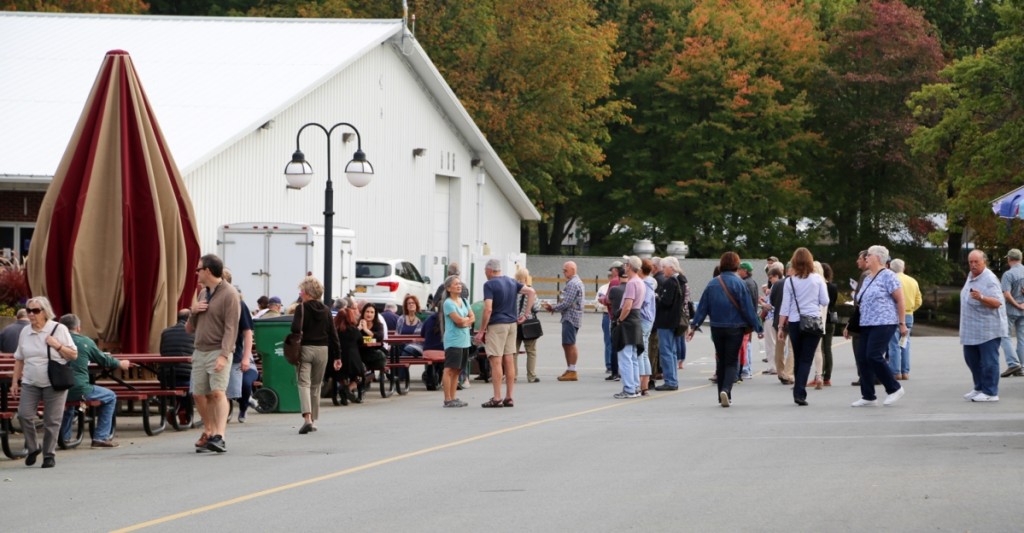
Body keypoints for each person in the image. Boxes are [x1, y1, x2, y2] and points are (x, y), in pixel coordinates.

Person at [688, 252, 764, 408]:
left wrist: (694, 326)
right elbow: (747, 309)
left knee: (721, 360)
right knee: (731, 361)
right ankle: (726, 390)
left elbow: (703, 307)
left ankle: (721, 396)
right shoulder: (740, 283)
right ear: (736, 264)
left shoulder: (712, 283)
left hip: (716, 327)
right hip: (735, 328)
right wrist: (758, 327)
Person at [11, 296, 77, 468]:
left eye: (35, 311)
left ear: (45, 312)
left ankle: (49, 454)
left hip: (54, 382)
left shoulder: (58, 329)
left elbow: (73, 355)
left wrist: (57, 346)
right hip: (30, 381)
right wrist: (14, 382)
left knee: (51, 420)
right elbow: (19, 358)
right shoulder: (25, 331)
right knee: (24, 415)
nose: (31, 314)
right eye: (29, 310)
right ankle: (33, 447)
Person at [186, 254, 240, 454]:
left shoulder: (229, 293)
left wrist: (224, 355)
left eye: (198, 269)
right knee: (199, 394)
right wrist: (193, 311)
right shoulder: (202, 294)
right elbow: (189, 329)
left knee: (217, 392)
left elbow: (231, 328)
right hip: (200, 350)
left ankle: (219, 435)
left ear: (208, 271)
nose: (196, 273)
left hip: (219, 349)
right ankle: (208, 431)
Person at [844, 245, 907, 407]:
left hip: (884, 322)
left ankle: (894, 388)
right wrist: (849, 324)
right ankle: (868, 395)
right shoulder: (867, 278)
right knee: (862, 358)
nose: (866, 257)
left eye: (869, 255)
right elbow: (860, 303)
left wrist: (902, 323)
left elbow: (900, 299)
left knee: (873, 355)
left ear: (878, 258)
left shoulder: (889, 276)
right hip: (866, 322)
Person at [58, 313, 129, 447]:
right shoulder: (85, 342)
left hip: (56, 388)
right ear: (78, 328)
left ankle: (64, 437)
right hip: (79, 388)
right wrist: (120, 363)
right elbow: (103, 359)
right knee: (111, 396)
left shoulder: (53, 341)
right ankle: (101, 437)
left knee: (68, 402)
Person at [477, 258, 535, 407]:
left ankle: (497, 397)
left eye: (485, 271)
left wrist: (482, 330)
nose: (485, 274)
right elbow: (531, 291)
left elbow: (488, 308)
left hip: (497, 325)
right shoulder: (511, 281)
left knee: (496, 360)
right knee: (509, 359)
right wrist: (526, 313)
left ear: (489, 270)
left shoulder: (489, 285)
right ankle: (509, 396)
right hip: (512, 324)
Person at [777, 248, 829, 406]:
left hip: (794, 321)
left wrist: (780, 326)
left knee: (798, 356)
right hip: (812, 320)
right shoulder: (818, 279)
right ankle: (799, 392)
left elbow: (785, 306)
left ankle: (798, 389)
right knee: (807, 358)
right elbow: (825, 301)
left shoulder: (790, 281)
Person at [292, 276, 339, 433]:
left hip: (305, 348)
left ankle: (307, 418)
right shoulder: (326, 310)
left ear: (307, 293)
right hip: (322, 350)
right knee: (316, 386)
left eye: (301, 291)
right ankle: (315, 420)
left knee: (303, 383)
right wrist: (338, 356)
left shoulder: (302, 309)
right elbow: (333, 334)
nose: (300, 294)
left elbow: (295, 329)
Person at [961, 250, 1008, 402]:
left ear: (984, 262)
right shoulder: (971, 277)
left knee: (989, 362)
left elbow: (997, 302)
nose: (973, 265)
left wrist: (981, 297)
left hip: (988, 329)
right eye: (970, 262)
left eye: (976, 262)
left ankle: (990, 392)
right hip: (971, 330)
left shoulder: (989, 279)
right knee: (971, 359)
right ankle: (979, 387)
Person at [221, 269, 253, 424]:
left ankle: (242, 408)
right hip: (214, 353)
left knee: (237, 389)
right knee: (219, 391)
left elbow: (248, 332)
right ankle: (220, 420)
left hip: (235, 355)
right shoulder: (205, 300)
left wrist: (246, 358)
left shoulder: (240, 304)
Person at [543, 261, 584, 381]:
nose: (563, 272)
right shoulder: (577, 282)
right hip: (572, 316)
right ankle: (570, 368)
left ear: (572, 270)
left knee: (570, 343)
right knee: (567, 343)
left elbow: (567, 303)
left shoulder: (573, 283)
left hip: (570, 317)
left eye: (565, 270)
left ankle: (572, 370)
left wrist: (553, 308)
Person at [613, 256, 646, 399]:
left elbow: (627, 305)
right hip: (636, 319)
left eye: (626, 264)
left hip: (628, 319)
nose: (624, 266)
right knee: (632, 356)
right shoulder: (640, 282)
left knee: (625, 356)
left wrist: (619, 320)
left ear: (630, 266)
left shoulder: (632, 283)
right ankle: (635, 386)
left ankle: (629, 389)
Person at [442, 275, 474, 407]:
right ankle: (447, 399)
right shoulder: (448, 303)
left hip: (464, 340)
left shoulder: (464, 301)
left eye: (460, 283)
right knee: (449, 369)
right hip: (453, 341)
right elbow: (458, 321)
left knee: (457, 369)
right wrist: (466, 321)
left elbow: (472, 317)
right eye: (456, 284)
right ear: (449, 288)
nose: (459, 286)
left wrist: (465, 321)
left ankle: (454, 397)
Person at [888, 259, 922, 380]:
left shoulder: (892, 280)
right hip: (909, 314)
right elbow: (919, 300)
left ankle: (895, 371)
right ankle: (905, 371)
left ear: (891, 268)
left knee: (894, 344)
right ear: (903, 268)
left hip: (894, 314)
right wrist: (911, 308)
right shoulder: (913, 281)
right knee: (905, 343)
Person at [159, 309, 194, 424]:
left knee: (180, 383)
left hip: (165, 377)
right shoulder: (194, 332)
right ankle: (182, 409)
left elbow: (162, 352)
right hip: (186, 376)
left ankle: (177, 407)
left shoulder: (165, 332)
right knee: (196, 382)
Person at [655, 257, 683, 391]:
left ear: (671, 268)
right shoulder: (681, 280)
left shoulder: (670, 282)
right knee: (671, 351)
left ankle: (670, 381)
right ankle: (672, 379)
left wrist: (656, 297)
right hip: (674, 320)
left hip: (665, 320)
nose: (662, 270)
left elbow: (666, 302)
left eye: (664, 267)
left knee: (666, 351)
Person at [331, 298, 365, 404]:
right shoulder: (354, 330)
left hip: (336, 361)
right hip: (353, 362)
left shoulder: (334, 331)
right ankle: (348, 389)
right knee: (360, 375)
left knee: (341, 375)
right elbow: (361, 343)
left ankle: (344, 387)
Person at [999, 248, 1024, 377]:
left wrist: (1016, 305)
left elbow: (1006, 294)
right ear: (1020, 259)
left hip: (1011, 309)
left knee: (1005, 335)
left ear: (1009, 259)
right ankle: (1022, 366)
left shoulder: (1008, 274)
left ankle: (1013, 363)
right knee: (1022, 337)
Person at [514, 267, 541, 383]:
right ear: (526, 278)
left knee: (513, 352)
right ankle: (531, 376)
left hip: (515, 323)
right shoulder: (531, 291)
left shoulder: (513, 291)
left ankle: (513, 375)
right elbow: (536, 308)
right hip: (528, 323)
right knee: (531, 351)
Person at [599, 261, 624, 380]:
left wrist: (602, 299)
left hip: (614, 315)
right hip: (627, 316)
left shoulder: (614, 282)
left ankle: (614, 370)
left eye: (612, 269)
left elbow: (609, 299)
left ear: (616, 270)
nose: (611, 272)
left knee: (613, 344)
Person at [820, 263, 839, 386]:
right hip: (831, 319)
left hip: (821, 318)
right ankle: (828, 376)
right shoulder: (833, 287)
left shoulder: (819, 286)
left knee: (820, 349)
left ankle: (820, 373)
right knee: (828, 348)